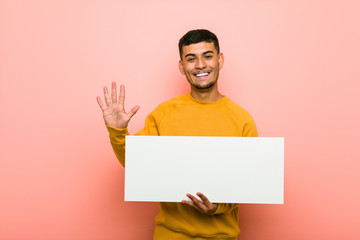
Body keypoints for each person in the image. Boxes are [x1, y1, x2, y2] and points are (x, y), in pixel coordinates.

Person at [96, 29, 258, 240]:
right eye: (191, 59)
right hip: (169, 235)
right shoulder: (163, 114)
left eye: (207, 56)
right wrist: (117, 132)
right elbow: (137, 164)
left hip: (222, 236)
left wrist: (220, 206)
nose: (200, 65)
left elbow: (250, 181)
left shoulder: (242, 120)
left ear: (220, 60)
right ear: (182, 66)